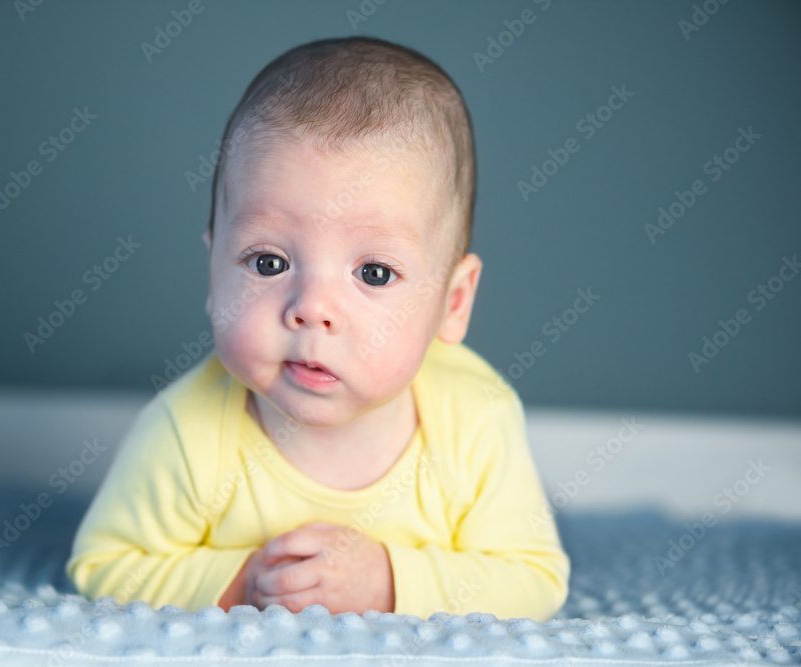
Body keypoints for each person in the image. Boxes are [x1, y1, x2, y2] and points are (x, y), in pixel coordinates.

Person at [67, 36, 569, 621]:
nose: (312, 309)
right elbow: (103, 564)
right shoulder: (187, 430)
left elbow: (533, 580)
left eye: (374, 273)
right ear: (213, 273)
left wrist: (386, 583)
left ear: (452, 303)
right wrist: (242, 584)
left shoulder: (477, 417)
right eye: (268, 263)